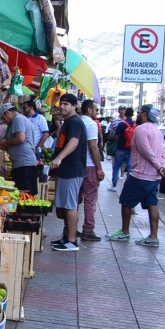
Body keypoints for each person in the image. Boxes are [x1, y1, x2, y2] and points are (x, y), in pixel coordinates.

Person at [107, 104, 165, 247]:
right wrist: (163, 166)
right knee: (152, 203)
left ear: (145, 114)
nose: (138, 114)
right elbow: (163, 153)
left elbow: (146, 150)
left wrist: (159, 166)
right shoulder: (157, 131)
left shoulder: (140, 129)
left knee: (126, 201)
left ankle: (124, 232)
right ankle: (153, 237)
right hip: (154, 176)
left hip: (140, 174)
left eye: (140, 112)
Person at [49, 94, 87, 252]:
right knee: (65, 205)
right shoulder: (68, 122)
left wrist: (59, 158)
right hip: (65, 170)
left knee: (71, 206)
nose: (62, 107)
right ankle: (66, 237)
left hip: (72, 169)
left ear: (74, 106)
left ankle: (71, 241)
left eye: (66, 104)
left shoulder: (75, 122)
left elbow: (73, 142)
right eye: (61, 104)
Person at [77, 100, 105, 241]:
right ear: (89, 110)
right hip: (89, 166)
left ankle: (69, 228)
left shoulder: (76, 121)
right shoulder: (91, 124)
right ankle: (88, 229)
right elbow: (93, 147)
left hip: (76, 166)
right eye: (95, 110)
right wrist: (99, 169)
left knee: (75, 199)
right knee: (90, 199)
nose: (96, 113)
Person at [0, 102, 37, 194]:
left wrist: (5, 144)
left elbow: (20, 138)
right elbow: (9, 137)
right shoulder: (16, 121)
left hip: (24, 163)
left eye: (4, 118)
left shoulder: (18, 119)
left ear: (7, 113)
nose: (5, 121)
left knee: (25, 194)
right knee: (24, 193)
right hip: (22, 163)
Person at [109, 107, 135, 191]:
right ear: (132, 114)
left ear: (125, 114)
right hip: (131, 149)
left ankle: (114, 185)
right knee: (130, 167)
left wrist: (110, 138)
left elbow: (115, 136)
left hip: (120, 148)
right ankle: (129, 185)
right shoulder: (135, 125)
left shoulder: (121, 124)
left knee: (116, 167)